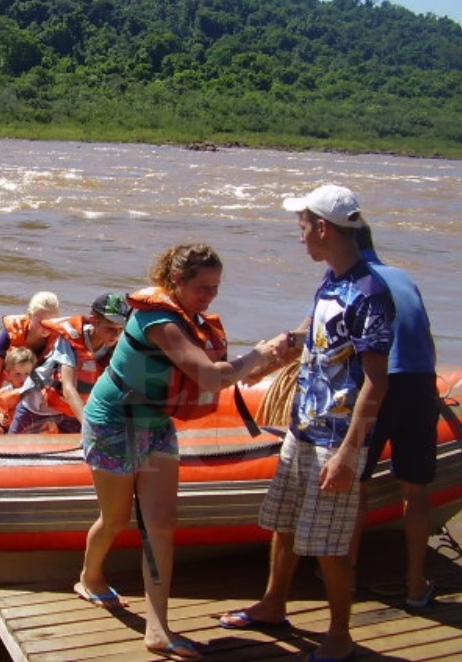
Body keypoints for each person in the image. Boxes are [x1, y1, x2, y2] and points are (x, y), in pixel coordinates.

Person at [218, 185, 394, 662]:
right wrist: (290, 339)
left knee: (330, 546)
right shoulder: (334, 280)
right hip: (303, 428)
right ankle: (274, 605)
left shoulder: (370, 293)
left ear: (323, 228)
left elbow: (376, 382)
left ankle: (340, 634)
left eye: (302, 227)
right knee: (284, 523)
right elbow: (322, 332)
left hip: (336, 439)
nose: (300, 239)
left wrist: (347, 453)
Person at [76, 244, 273, 662]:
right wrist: (259, 353)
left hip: (156, 424)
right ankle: (90, 578)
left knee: (161, 524)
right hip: (114, 421)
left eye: (216, 288)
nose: (209, 297)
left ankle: (158, 629)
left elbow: (221, 374)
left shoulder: (190, 319)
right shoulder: (157, 319)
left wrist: (275, 355)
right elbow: (208, 375)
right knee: (115, 518)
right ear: (175, 282)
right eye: (202, 287)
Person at [350, 222, 439, 608]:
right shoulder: (403, 276)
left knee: (357, 485)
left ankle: (345, 576)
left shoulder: (352, 279)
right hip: (421, 381)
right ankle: (416, 582)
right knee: (415, 488)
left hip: (381, 381)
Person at [8, 292, 127, 435]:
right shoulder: (70, 339)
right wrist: (89, 426)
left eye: (120, 329)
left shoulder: (116, 345)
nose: (116, 335)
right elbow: (68, 388)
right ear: (94, 321)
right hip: (38, 404)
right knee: (13, 449)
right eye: (111, 328)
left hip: (70, 410)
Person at [0, 291, 61, 402]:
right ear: (29, 315)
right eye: (42, 322)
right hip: (11, 384)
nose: (47, 327)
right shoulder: (11, 334)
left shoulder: (59, 340)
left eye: (52, 322)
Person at [0, 346, 37, 433]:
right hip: (9, 435)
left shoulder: (37, 393)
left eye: (27, 373)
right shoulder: (5, 393)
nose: (23, 378)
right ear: (8, 375)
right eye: (17, 374)